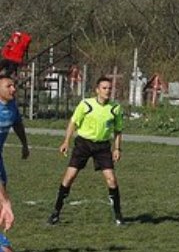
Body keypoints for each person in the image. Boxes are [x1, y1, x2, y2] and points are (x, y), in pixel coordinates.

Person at [48, 76, 125, 226]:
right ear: (97, 90)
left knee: (112, 180)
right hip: (83, 144)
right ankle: (56, 213)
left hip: (102, 147)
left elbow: (118, 130)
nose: (107, 91)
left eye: (109, 88)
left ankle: (118, 215)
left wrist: (117, 148)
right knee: (69, 177)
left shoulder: (115, 108)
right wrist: (66, 141)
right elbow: (73, 122)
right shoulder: (86, 104)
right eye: (104, 88)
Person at [0, 77, 43, 252]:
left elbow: (17, 123)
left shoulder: (11, 106)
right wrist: (4, 203)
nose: (14, 89)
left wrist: (25, 144)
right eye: (8, 85)